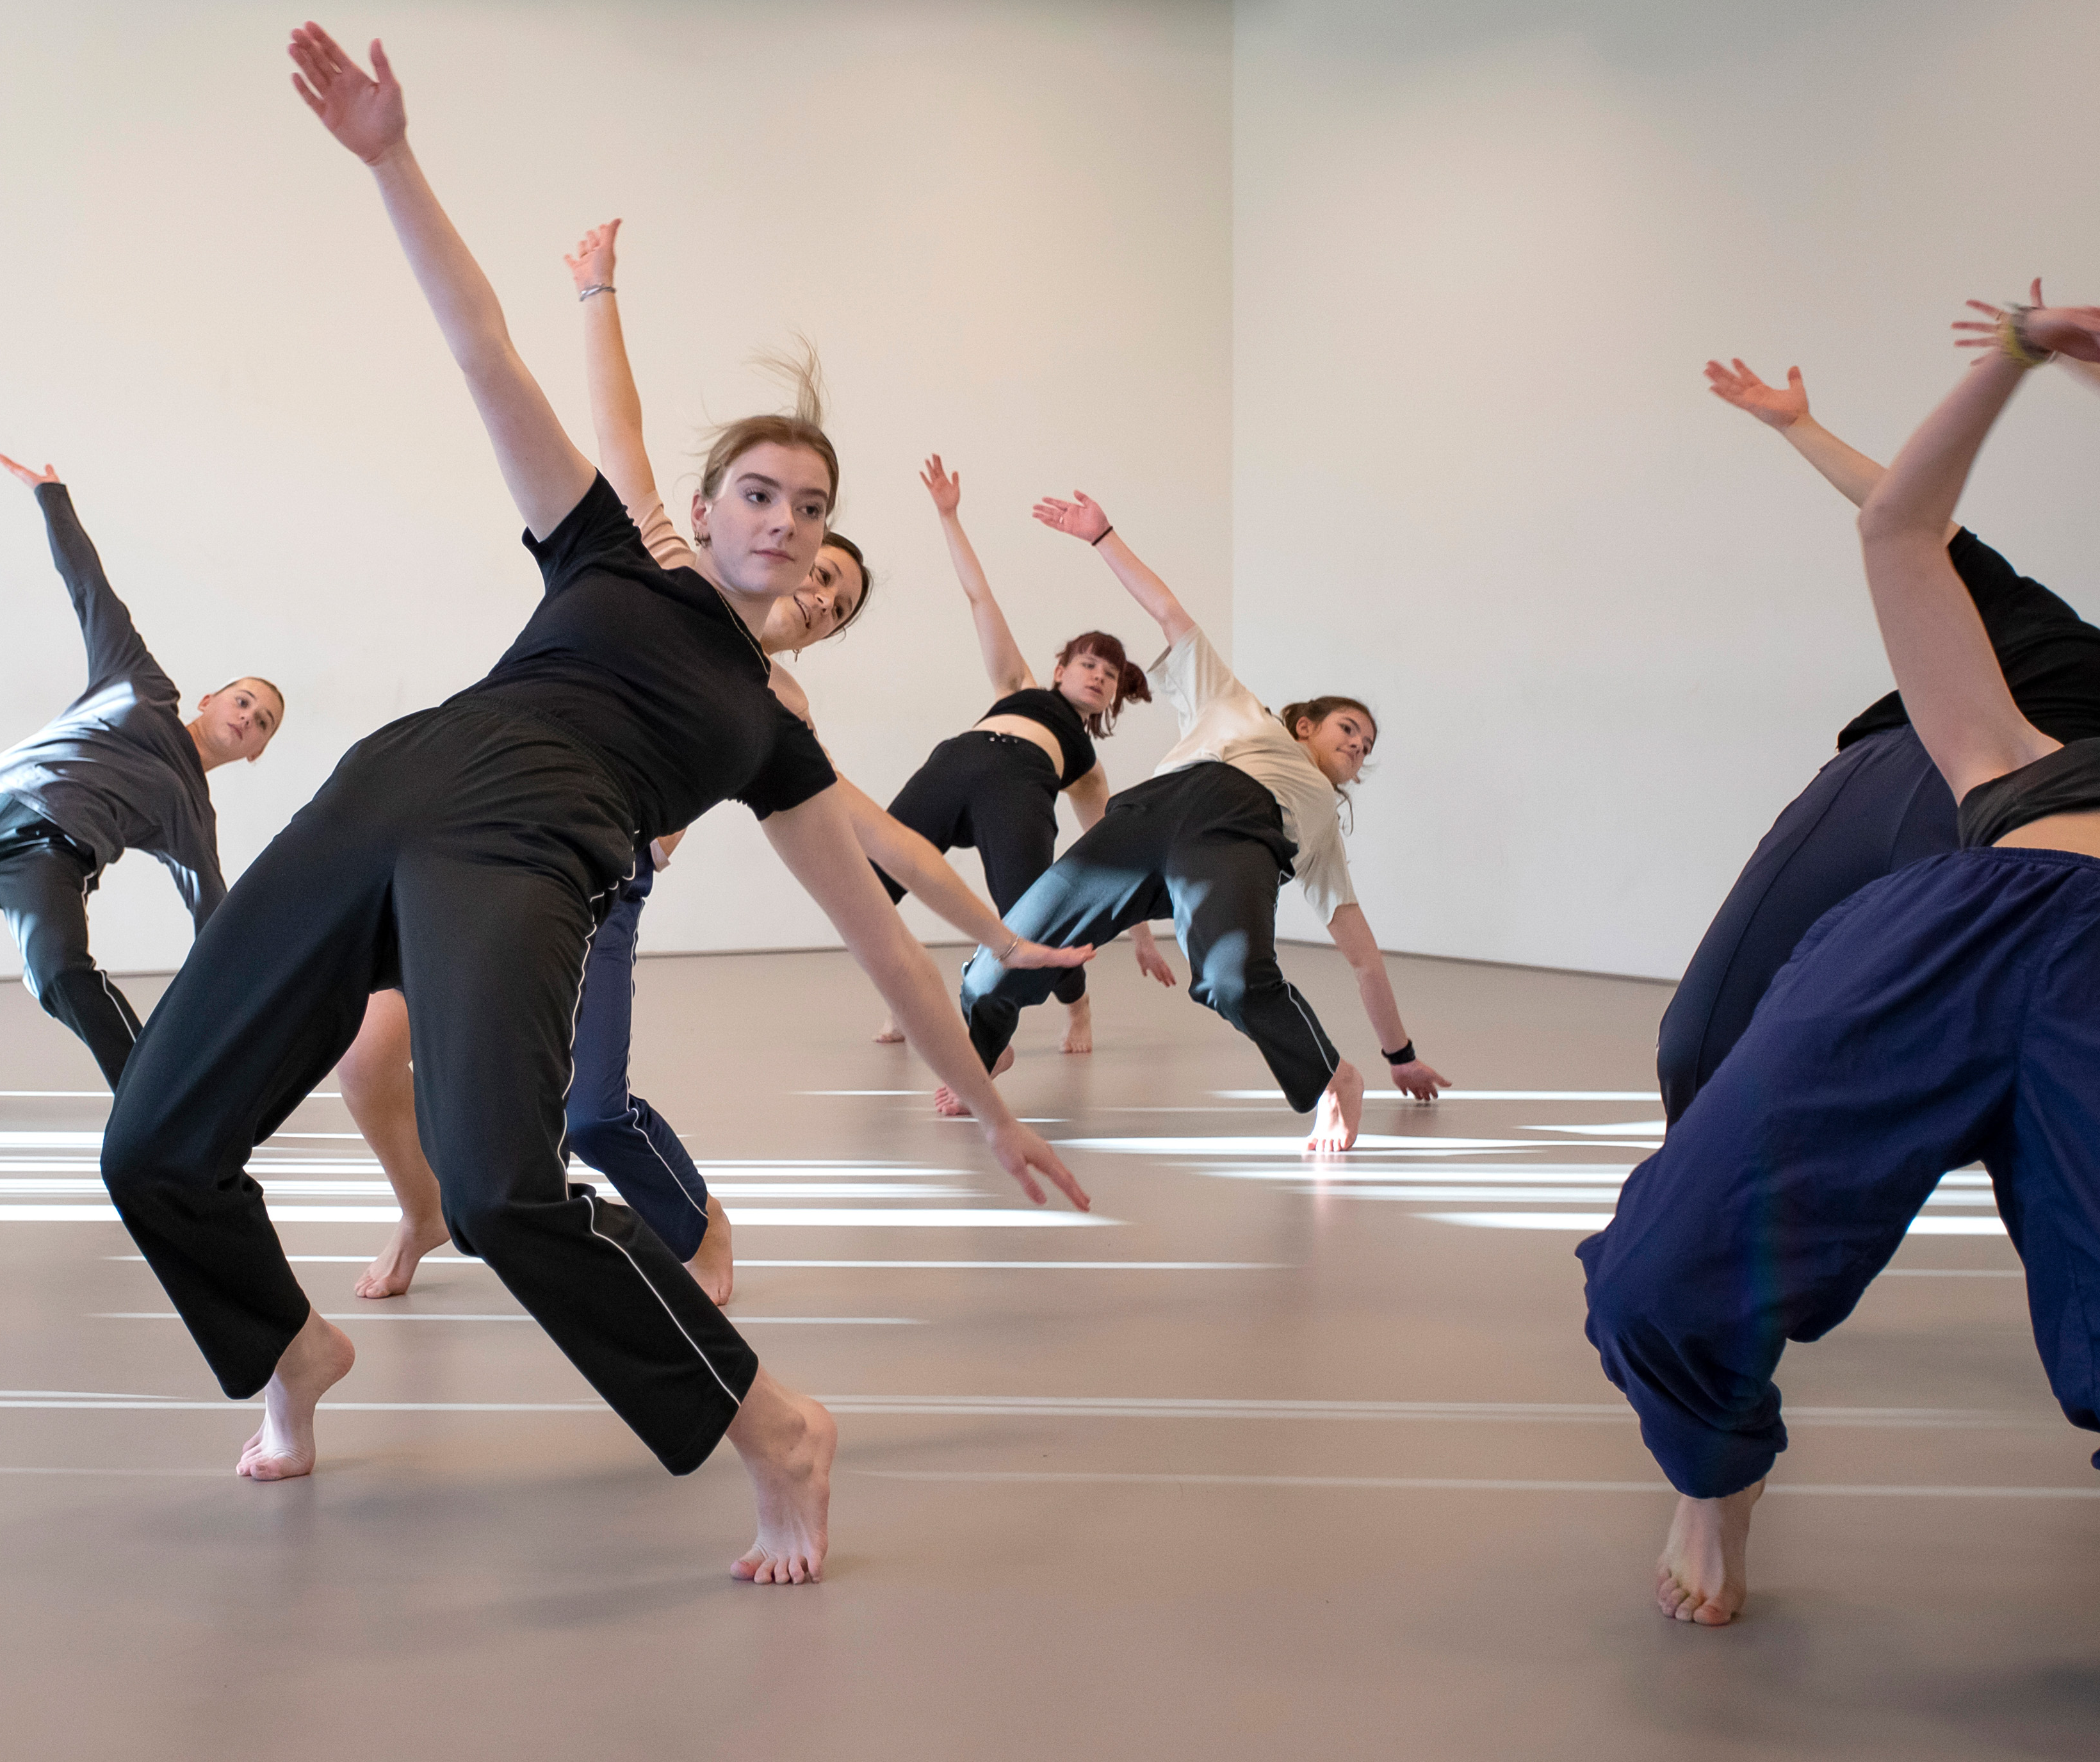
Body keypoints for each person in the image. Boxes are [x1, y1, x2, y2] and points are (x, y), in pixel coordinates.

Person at [98, 28, 1090, 1587]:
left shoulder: (770, 733)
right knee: (149, 1143)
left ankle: (776, 1430)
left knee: (500, 1187)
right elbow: (481, 347)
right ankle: (290, 1351)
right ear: (703, 512)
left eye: (817, 518)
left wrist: (996, 1099)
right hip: (383, 795)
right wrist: (387, 160)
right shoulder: (607, 554)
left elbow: (884, 939)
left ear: (829, 584)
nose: (789, 528)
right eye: (763, 496)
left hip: (523, 852)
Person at [344, 222, 1087, 1309]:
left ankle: (698, 1218)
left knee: (590, 1116)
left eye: (836, 597)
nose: (812, 577)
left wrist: (999, 941)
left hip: (597, 889)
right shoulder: (662, 564)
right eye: (803, 546)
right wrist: (598, 293)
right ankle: (420, 1211)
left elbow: (889, 860)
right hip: (477, 829)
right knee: (367, 1063)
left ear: (821, 633)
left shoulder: (773, 715)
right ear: (726, 520)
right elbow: (618, 429)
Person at [1581, 296, 2100, 1627]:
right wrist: (2010, 361)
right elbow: (1899, 525)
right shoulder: (2005, 732)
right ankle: (1713, 1474)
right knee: (1664, 1271)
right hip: (1952, 927)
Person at [1656, 350, 2100, 1121]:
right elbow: (1902, 510)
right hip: (1894, 780)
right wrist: (1798, 427)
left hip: (2011, 839)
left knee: (1933, 1076)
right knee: (1698, 1048)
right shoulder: (2057, 636)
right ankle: (1694, 1205)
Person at [951, 491, 1452, 1150]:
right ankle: (981, 1056)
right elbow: (1167, 612)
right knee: (995, 961)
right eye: (1347, 729)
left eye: (1364, 749)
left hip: (1239, 837)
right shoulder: (1237, 708)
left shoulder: (1319, 821)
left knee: (1231, 981)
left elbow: (1362, 960)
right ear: (1303, 725)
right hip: (1148, 816)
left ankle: (1332, 1079)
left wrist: (1400, 1055)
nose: (1356, 747)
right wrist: (1102, 536)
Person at [0, 452, 280, 1105]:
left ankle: (155, 1099)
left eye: (261, 722)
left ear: (255, 751)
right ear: (208, 700)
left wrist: (258, 1003)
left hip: (48, 854)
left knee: (58, 973)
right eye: (242, 699)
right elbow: (89, 586)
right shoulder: (138, 683)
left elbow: (213, 915)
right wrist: (52, 496)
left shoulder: (189, 812)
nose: (247, 716)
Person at [872, 453, 1176, 1054]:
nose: (1098, 676)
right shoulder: (1018, 685)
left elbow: (1110, 854)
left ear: (1113, 696)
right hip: (951, 766)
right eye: (1088, 663)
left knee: (1033, 916)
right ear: (1060, 669)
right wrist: (949, 516)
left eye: (1110, 675)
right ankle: (906, 1001)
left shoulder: (1084, 768)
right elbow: (980, 598)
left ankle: (1078, 1007)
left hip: (1018, 787)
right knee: (873, 882)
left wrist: (1141, 935)